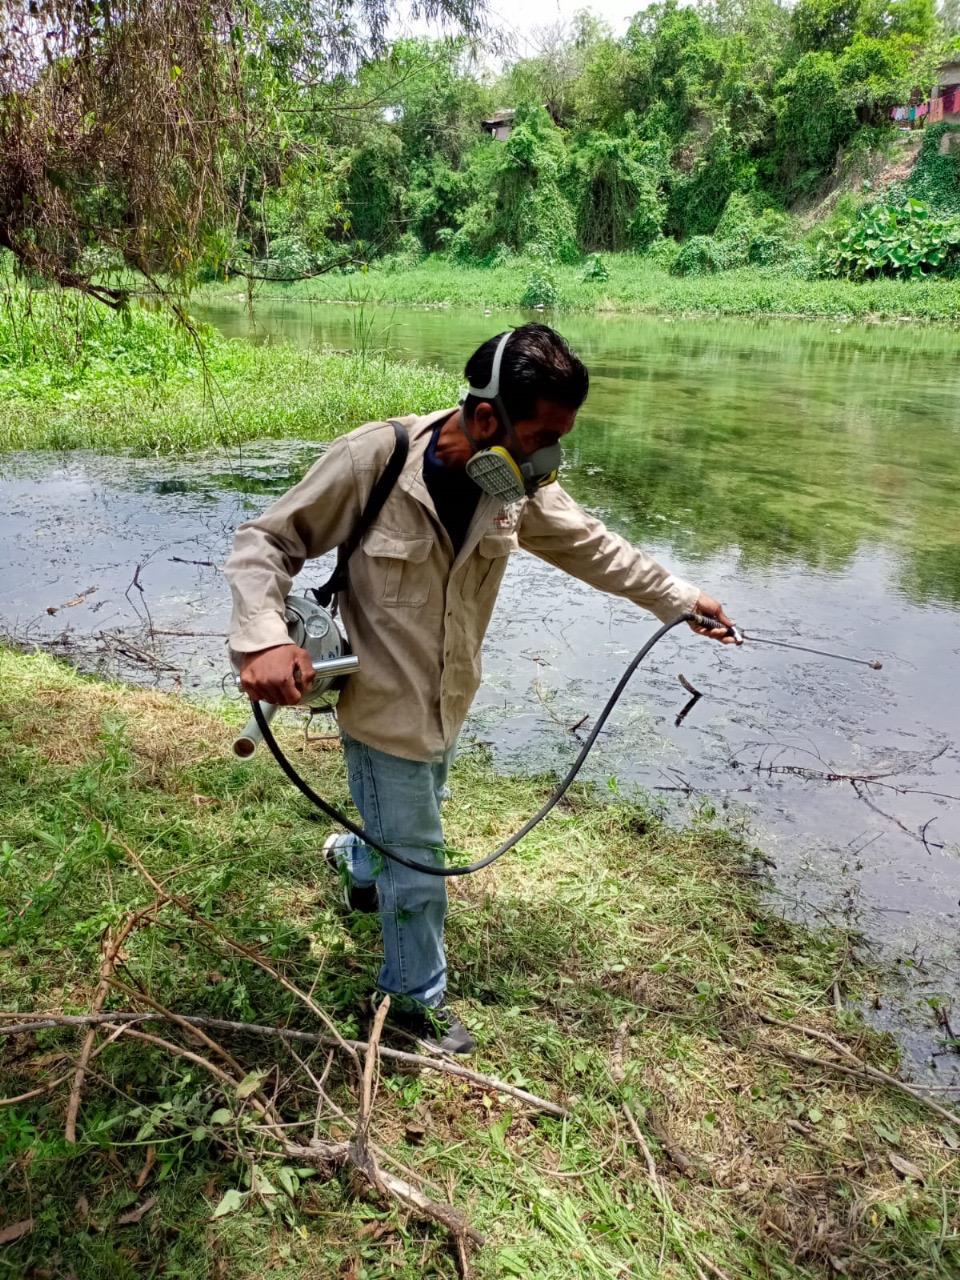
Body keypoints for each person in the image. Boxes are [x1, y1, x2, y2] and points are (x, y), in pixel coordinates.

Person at [225, 324, 736, 1055]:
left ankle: (355, 861)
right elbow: (266, 542)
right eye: (542, 435)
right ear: (487, 415)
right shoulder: (377, 458)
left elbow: (592, 545)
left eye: (562, 438)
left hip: (449, 699)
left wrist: (682, 599)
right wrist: (266, 637)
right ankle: (412, 1006)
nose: (550, 456)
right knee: (420, 858)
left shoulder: (516, 487)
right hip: (381, 707)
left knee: (405, 825)